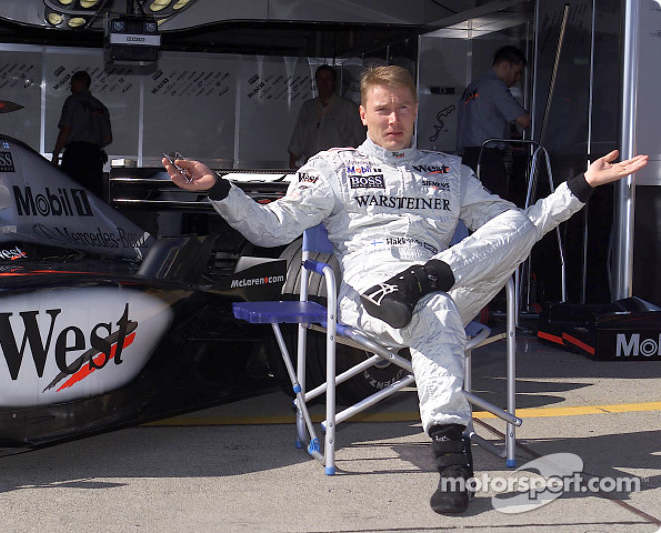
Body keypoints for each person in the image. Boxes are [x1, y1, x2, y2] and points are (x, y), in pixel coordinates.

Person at [162, 65, 647, 515]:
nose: (393, 118)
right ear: (363, 114)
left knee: (510, 225)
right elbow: (271, 229)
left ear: (416, 111)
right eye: (382, 109)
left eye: (403, 108)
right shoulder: (333, 166)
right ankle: (454, 462)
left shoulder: (450, 171)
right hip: (369, 294)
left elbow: (518, 228)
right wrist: (218, 188)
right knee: (433, 309)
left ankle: (424, 279)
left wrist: (581, 185)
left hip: (447, 277)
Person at [457, 46, 531, 201]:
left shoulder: (473, 86)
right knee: (492, 205)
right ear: (505, 66)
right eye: (517, 72)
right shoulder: (496, 86)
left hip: (467, 157)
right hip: (488, 158)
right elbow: (524, 120)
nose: (517, 78)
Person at [288, 64, 366, 169]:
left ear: (334, 82)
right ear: (316, 82)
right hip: (312, 167)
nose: (324, 83)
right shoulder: (308, 107)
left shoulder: (349, 108)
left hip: (340, 167)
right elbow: (297, 140)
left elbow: (362, 142)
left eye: (328, 79)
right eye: (321, 79)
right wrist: (292, 164)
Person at [52, 70, 113, 199]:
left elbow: (65, 130)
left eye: (72, 84)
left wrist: (56, 153)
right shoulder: (101, 107)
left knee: (70, 195)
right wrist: (93, 145)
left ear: (78, 83)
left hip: (75, 155)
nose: (71, 88)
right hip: (94, 156)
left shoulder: (72, 102)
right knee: (92, 198)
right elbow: (108, 138)